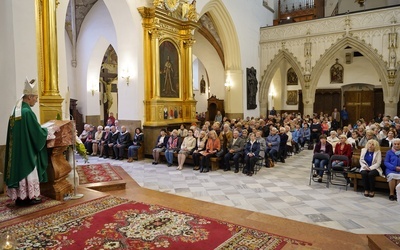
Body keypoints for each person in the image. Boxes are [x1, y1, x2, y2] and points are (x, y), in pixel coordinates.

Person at [4, 79, 51, 206]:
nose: (36, 100)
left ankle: (20, 196)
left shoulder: (16, 110)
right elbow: (36, 133)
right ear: (29, 97)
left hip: (17, 151)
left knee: (19, 169)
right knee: (28, 168)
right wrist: (47, 131)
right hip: (26, 151)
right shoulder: (27, 112)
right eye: (35, 97)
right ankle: (28, 197)